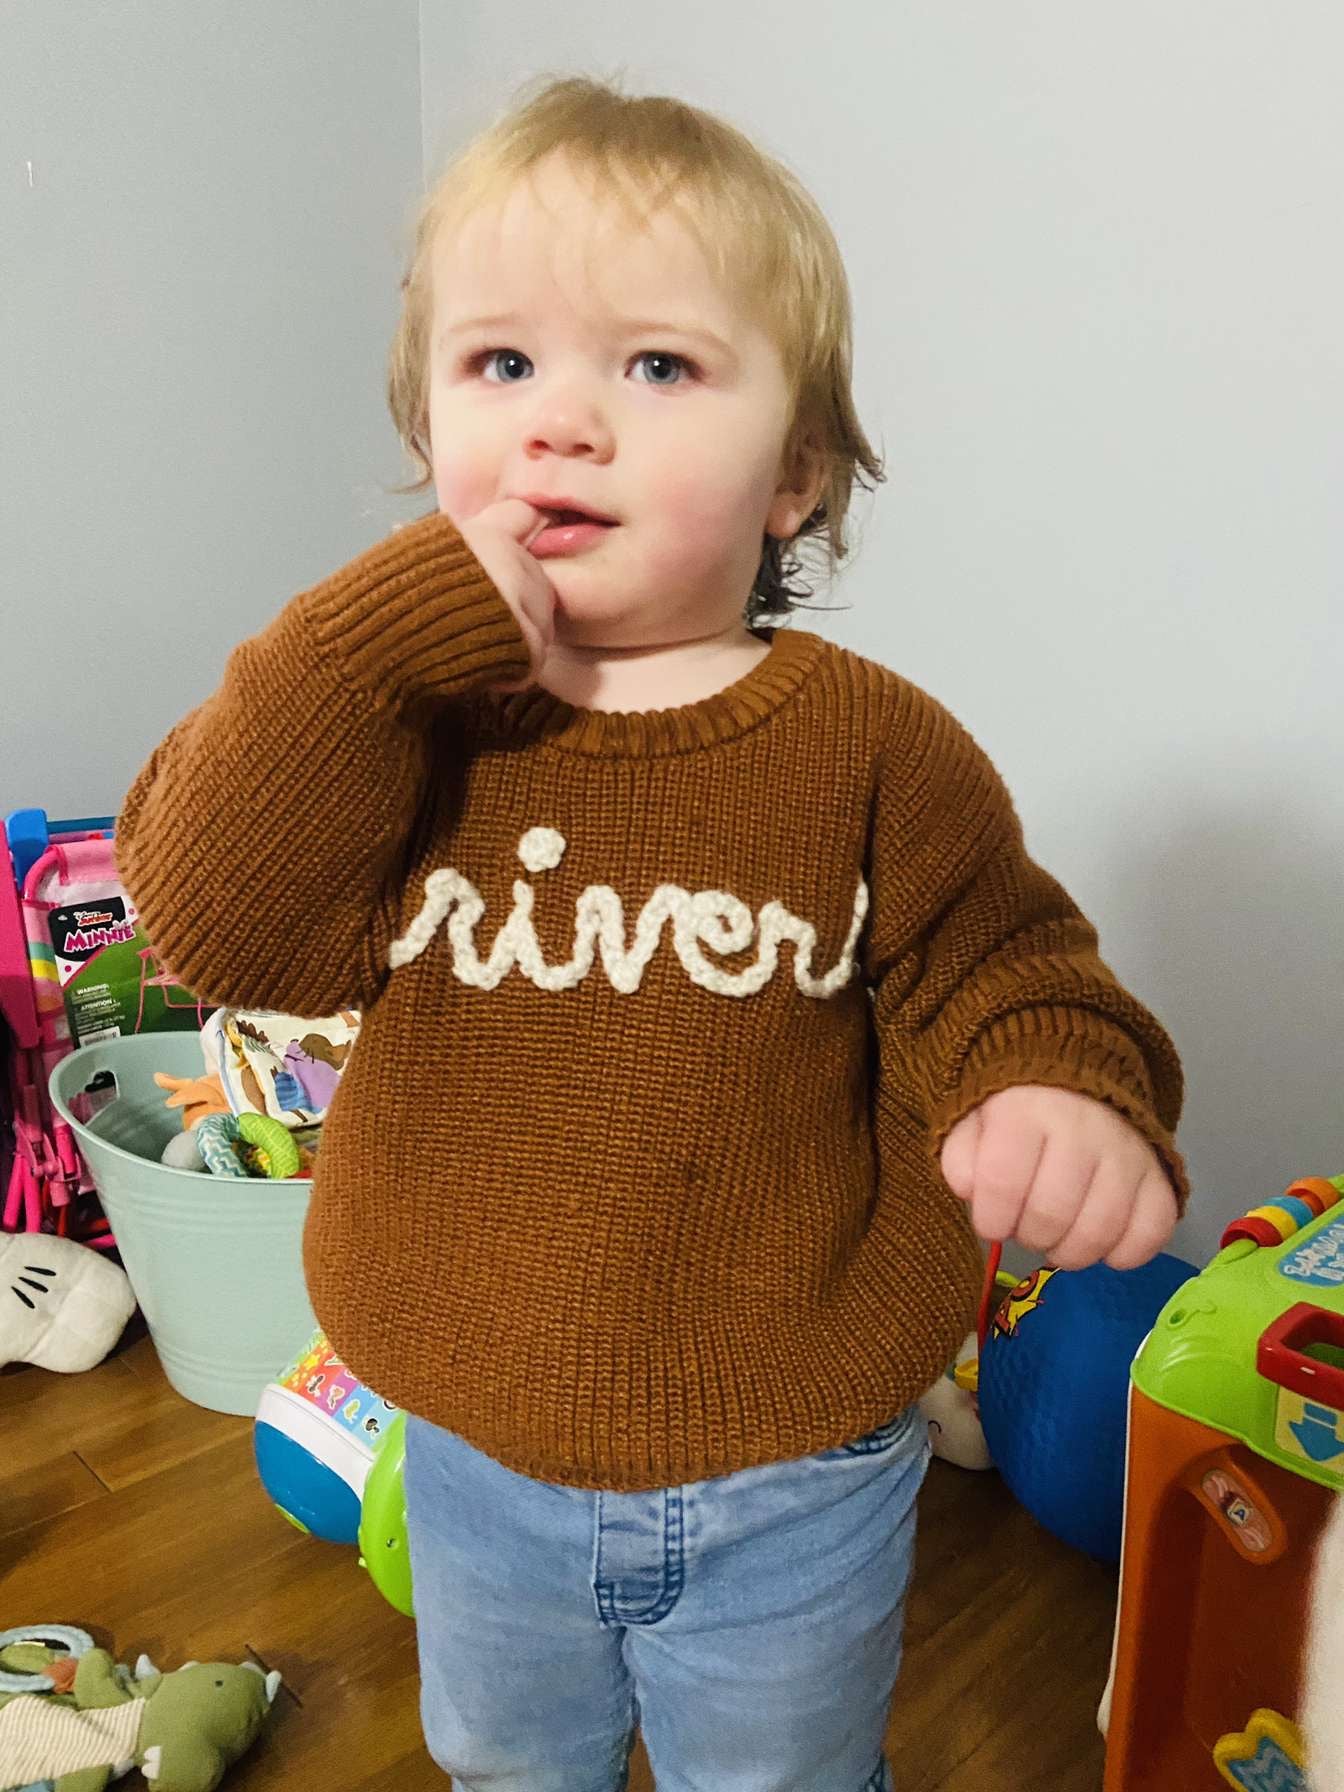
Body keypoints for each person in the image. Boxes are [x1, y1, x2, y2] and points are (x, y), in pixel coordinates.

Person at [116, 72, 1188, 1792]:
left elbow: (1000, 959)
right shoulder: (398, 727)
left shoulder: (873, 747)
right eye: (501, 366)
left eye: (660, 366)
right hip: (469, 1438)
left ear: (797, 477)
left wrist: (1055, 1081)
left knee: (782, 1777)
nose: (563, 422)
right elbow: (221, 921)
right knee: (503, 1758)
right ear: (429, 430)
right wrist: (367, 645)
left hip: (802, 1464)